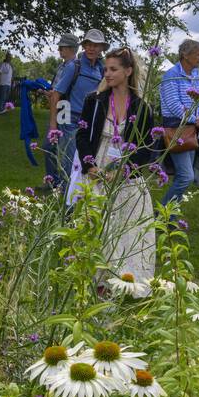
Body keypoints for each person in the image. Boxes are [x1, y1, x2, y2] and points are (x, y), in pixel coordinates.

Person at [71, 47, 157, 285]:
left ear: (128, 71)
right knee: (98, 225)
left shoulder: (141, 108)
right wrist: (91, 167)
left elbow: (147, 147)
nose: (107, 74)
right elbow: (82, 135)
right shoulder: (95, 101)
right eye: (105, 69)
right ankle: (95, 281)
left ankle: (127, 282)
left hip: (126, 177)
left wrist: (125, 172)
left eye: (113, 69)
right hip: (97, 170)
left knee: (126, 228)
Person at [47, 28, 107, 187]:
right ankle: (65, 201)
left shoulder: (101, 69)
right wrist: (53, 125)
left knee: (84, 162)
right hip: (70, 119)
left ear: (102, 48)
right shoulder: (74, 66)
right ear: (84, 46)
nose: (92, 48)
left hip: (90, 122)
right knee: (68, 161)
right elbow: (55, 95)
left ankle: (72, 197)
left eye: (96, 45)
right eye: (88, 44)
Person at [159, 38, 199, 207]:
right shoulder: (171, 75)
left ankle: (169, 215)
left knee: (184, 176)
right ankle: (163, 212)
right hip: (176, 130)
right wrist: (195, 119)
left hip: (191, 130)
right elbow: (173, 105)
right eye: (198, 54)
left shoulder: (194, 75)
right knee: (186, 176)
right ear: (185, 55)